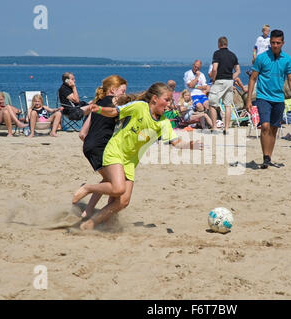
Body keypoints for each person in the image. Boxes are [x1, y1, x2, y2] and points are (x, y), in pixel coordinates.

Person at [72, 82, 203, 230]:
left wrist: (189, 145)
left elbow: (176, 142)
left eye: (170, 100)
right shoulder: (139, 107)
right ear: (154, 98)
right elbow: (115, 112)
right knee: (118, 188)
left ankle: (91, 223)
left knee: (123, 201)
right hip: (116, 151)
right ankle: (88, 188)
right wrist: (99, 108)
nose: (169, 104)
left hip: (130, 161)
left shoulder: (164, 123)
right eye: (166, 100)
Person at [246, 29, 291, 168]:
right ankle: (265, 157)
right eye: (273, 42)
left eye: (278, 43)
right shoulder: (261, 58)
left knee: (274, 129)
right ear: (270, 42)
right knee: (264, 126)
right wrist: (248, 100)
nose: (275, 45)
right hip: (263, 97)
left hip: (279, 98)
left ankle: (269, 156)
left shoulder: (287, 59)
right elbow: (252, 78)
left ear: (283, 43)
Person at [81, 75, 129, 219]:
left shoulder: (97, 104)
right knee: (115, 184)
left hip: (89, 146)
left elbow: (82, 134)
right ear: (113, 90)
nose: (124, 95)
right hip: (101, 147)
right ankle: (90, 208)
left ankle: (90, 211)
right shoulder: (114, 105)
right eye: (123, 91)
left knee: (110, 181)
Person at [208, 36, 241, 134]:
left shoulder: (217, 54)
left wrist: (213, 79)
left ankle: (214, 127)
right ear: (227, 44)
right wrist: (232, 77)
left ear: (219, 44)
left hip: (219, 81)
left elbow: (214, 69)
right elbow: (238, 70)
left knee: (212, 104)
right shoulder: (233, 55)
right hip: (229, 82)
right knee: (227, 105)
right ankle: (226, 128)